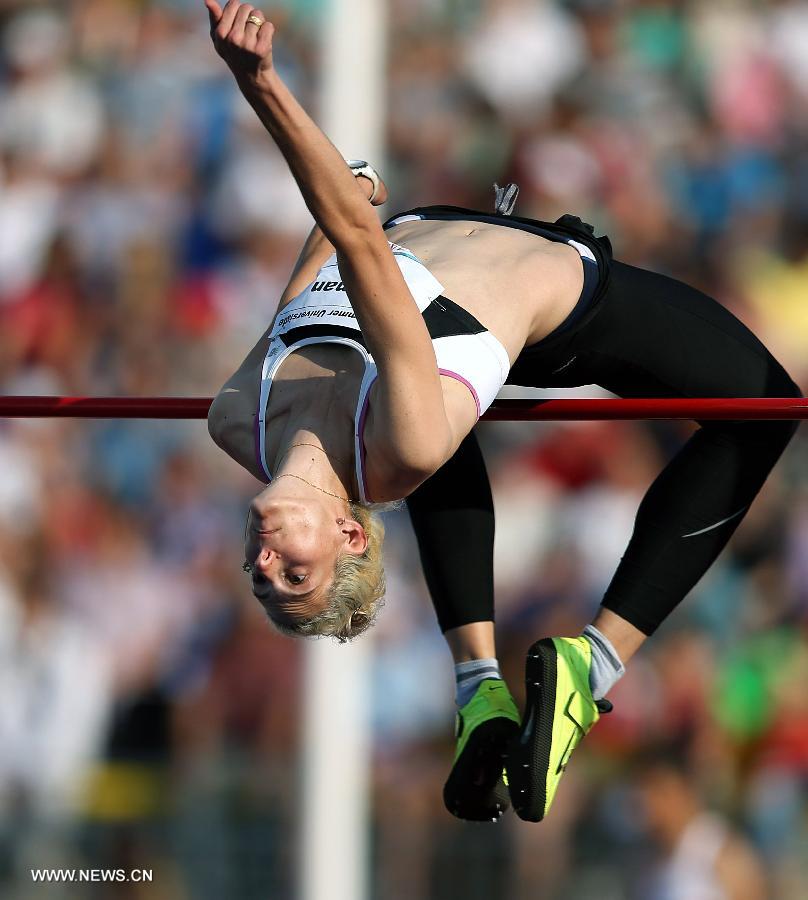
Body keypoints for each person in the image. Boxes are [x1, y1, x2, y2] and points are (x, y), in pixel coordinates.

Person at [202, 1, 802, 825]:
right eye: (293, 579)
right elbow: (355, 241)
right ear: (347, 536)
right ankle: (591, 671)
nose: (264, 567)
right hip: (559, 299)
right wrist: (261, 82)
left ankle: (479, 687)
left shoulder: (237, 416)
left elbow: (319, 258)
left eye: (260, 580)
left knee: (427, 438)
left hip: (434, 232)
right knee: (769, 407)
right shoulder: (400, 439)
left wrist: (357, 184)